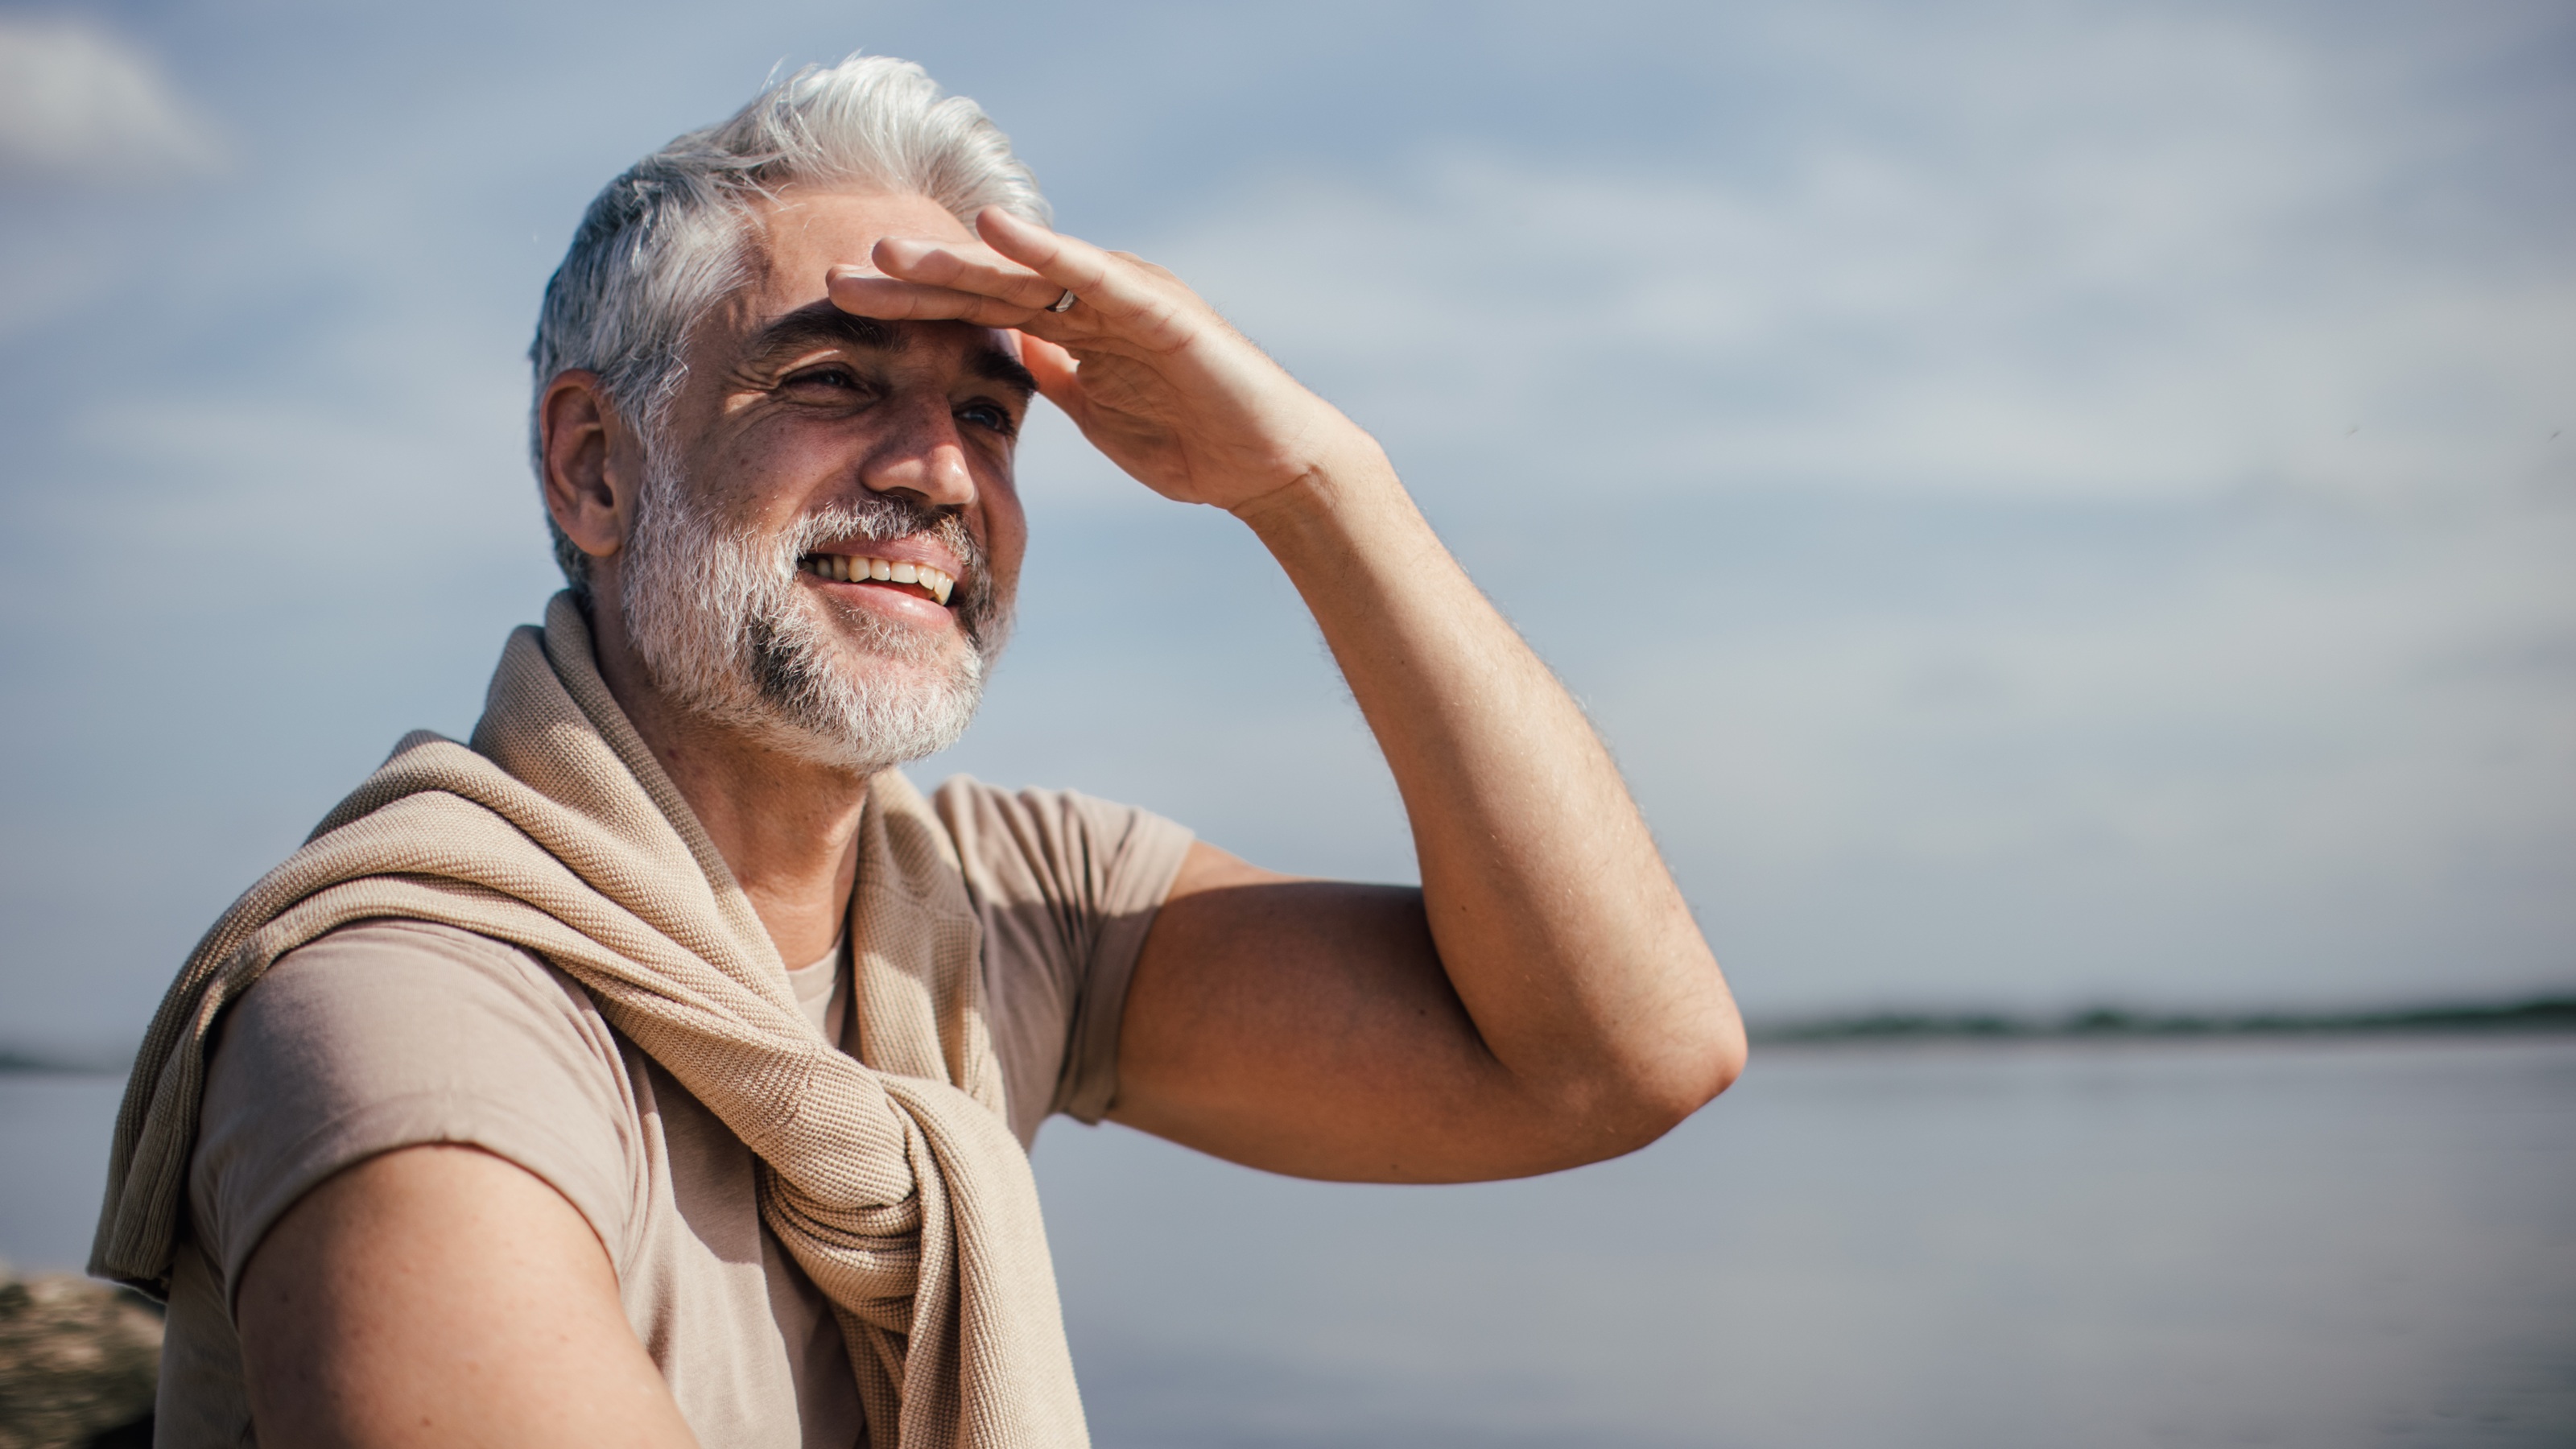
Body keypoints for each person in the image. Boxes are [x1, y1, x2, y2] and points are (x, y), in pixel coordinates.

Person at [95, 53, 1745, 1449]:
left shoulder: (980, 907)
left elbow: (1618, 1058)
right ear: (595, 469)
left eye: (990, 412)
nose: (941, 475)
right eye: (830, 378)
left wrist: (1310, 478)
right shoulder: (410, 1012)